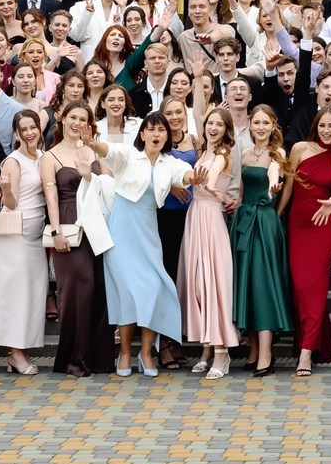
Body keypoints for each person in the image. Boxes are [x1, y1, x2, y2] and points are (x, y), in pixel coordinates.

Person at [100, 113, 185, 378]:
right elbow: (109, 151)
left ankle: (146, 353)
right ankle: (125, 352)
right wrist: (93, 144)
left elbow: (186, 174)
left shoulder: (169, 163)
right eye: (152, 129)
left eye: (162, 130)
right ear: (143, 134)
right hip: (122, 231)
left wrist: (195, 179)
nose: (157, 134)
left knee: (153, 289)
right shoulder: (128, 154)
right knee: (126, 292)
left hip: (148, 235)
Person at [281, 106, 331, 374]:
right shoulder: (300, 148)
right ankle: (318, 343)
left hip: (323, 227)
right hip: (297, 226)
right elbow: (289, 187)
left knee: (313, 287)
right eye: (323, 125)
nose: (326, 130)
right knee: (301, 289)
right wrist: (278, 218)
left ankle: (305, 353)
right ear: (316, 125)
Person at [44, 102, 113, 378]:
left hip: (96, 223)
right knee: (77, 291)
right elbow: (50, 195)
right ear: (62, 119)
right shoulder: (50, 156)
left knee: (98, 287)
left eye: (83, 119)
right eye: (73, 117)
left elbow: (109, 183)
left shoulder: (94, 150)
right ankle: (75, 358)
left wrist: (91, 172)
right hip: (68, 222)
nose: (77, 122)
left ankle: (97, 357)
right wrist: (56, 230)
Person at [0, 106, 50, 376]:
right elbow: (11, 202)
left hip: (35, 235)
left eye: (33, 127)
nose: (30, 133)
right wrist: (7, 190)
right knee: (15, 294)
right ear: (17, 134)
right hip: (15, 235)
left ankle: (24, 347)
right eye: (24, 130)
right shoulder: (13, 160)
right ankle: (15, 352)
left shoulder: (43, 157)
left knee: (33, 292)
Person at [177, 107, 242, 378]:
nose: (213, 128)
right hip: (195, 217)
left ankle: (221, 353)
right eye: (210, 123)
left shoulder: (223, 155)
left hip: (211, 219)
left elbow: (211, 180)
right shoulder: (202, 152)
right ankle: (206, 348)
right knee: (196, 285)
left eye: (219, 124)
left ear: (227, 130)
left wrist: (205, 185)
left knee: (211, 284)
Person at [231, 104, 295, 376]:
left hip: (266, 222)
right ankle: (254, 350)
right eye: (255, 122)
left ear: (273, 125)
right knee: (247, 284)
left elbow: (282, 185)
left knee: (263, 284)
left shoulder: (278, 154)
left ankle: (266, 355)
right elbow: (242, 189)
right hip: (244, 220)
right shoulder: (244, 153)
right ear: (250, 124)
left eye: (265, 123)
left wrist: (275, 211)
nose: (260, 127)